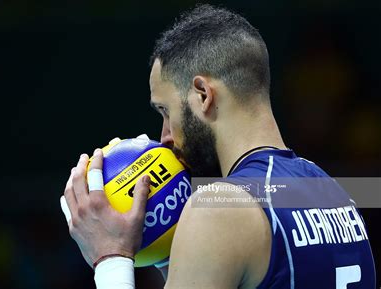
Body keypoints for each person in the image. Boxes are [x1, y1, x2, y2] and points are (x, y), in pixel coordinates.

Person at [61, 4, 376, 289]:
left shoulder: (217, 207)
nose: (165, 136)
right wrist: (165, 244)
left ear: (202, 94)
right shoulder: (335, 192)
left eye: (166, 112)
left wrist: (110, 257)